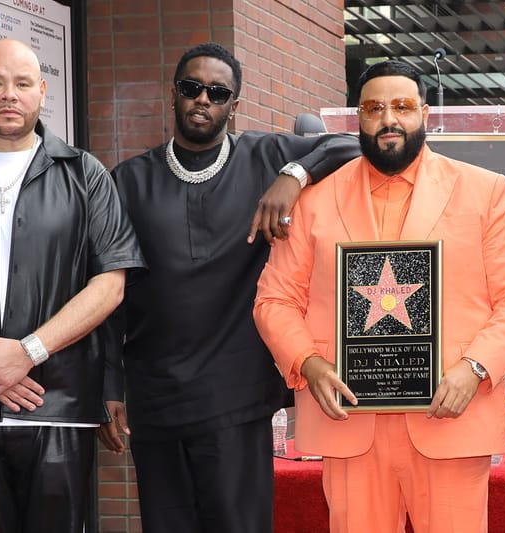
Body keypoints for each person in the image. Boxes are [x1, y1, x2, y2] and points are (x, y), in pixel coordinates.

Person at [253, 60, 505, 533]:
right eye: (374, 108)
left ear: (425, 113)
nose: (389, 119)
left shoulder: (485, 192)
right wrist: (308, 362)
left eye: (403, 106)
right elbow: (274, 301)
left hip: (450, 418)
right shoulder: (313, 203)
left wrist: (474, 369)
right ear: (358, 119)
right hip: (349, 423)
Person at [95, 42, 360, 533]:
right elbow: (111, 296)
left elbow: (354, 144)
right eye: (192, 88)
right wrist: (109, 386)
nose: (203, 100)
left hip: (235, 398)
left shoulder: (268, 156)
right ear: (173, 95)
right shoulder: (128, 181)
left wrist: (295, 175)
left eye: (218, 93)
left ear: (233, 106)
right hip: (156, 396)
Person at [0, 38, 145, 533]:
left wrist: (30, 351)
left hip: (56, 403)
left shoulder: (86, 175)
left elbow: (110, 286)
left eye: (21, 84)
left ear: (42, 91)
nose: (8, 95)